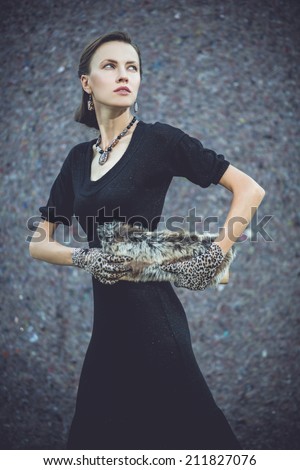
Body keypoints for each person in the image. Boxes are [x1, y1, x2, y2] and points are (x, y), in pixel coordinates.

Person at [29, 31, 265, 450]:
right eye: (110, 66)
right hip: (108, 333)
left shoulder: (160, 140)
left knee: (200, 447)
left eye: (132, 67)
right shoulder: (78, 160)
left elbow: (250, 190)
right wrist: (85, 258)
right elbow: (38, 242)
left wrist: (214, 255)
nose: (124, 75)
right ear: (87, 83)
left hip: (156, 325)